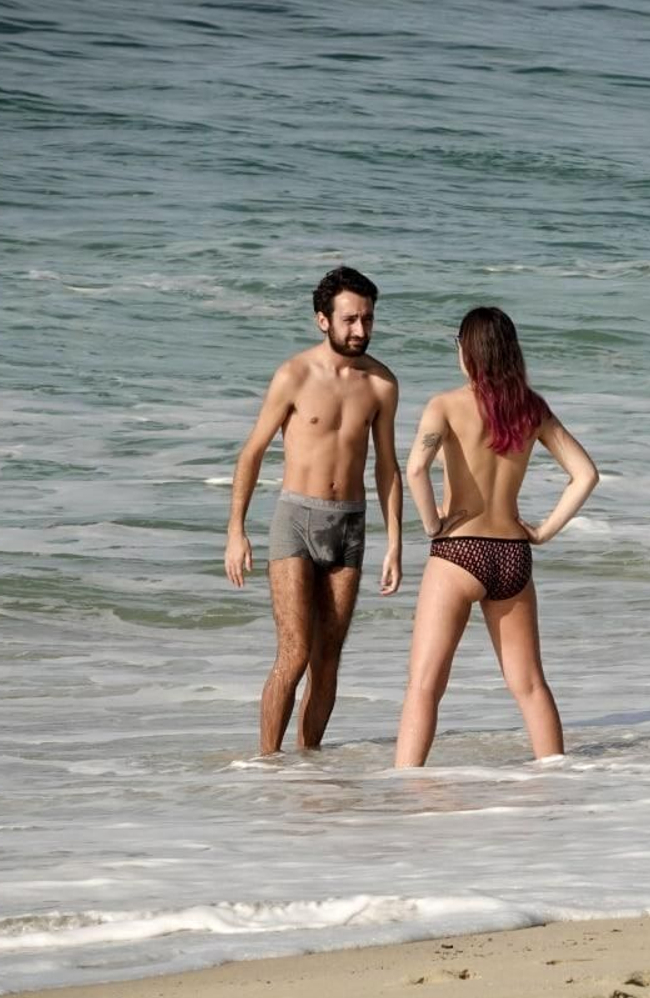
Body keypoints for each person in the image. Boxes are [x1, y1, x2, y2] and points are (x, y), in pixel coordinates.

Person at [394, 306, 598, 767]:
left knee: (424, 685)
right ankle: (556, 778)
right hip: (512, 555)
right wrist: (542, 532)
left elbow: (416, 469)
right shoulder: (531, 409)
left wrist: (432, 525)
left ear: (466, 351)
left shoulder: (445, 405)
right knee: (530, 685)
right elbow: (585, 474)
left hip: (458, 551)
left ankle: (407, 785)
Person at [224, 266, 402, 755]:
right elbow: (252, 452)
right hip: (296, 520)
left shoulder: (382, 384)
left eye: (367, 319)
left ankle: (308, 765)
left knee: (327, 661)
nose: (361, 329)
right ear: (323, 320)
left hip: (350, 525)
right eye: (350, 319)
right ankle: (268, 761)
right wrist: (236, 530)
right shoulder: (294, 375)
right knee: (295, 652)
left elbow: (387, 467)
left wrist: (395, 543)